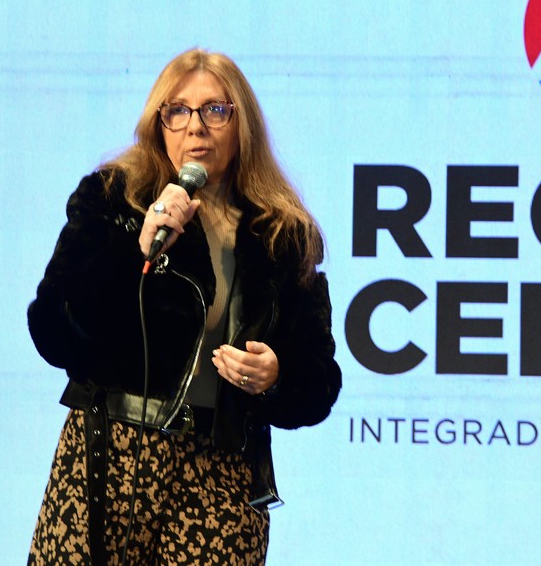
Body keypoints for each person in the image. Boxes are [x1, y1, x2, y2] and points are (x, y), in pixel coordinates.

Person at [26, 48, 342, 564]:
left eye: (215, 110)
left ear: (243, 126)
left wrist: (277, 374)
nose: (196, 127)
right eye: (178, 111)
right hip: (111, 455)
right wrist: (135, 250)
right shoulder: (114, 200)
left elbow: (320, 380)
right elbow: (52, 330)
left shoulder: (283, 233)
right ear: (159, 125)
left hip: (224, 474)